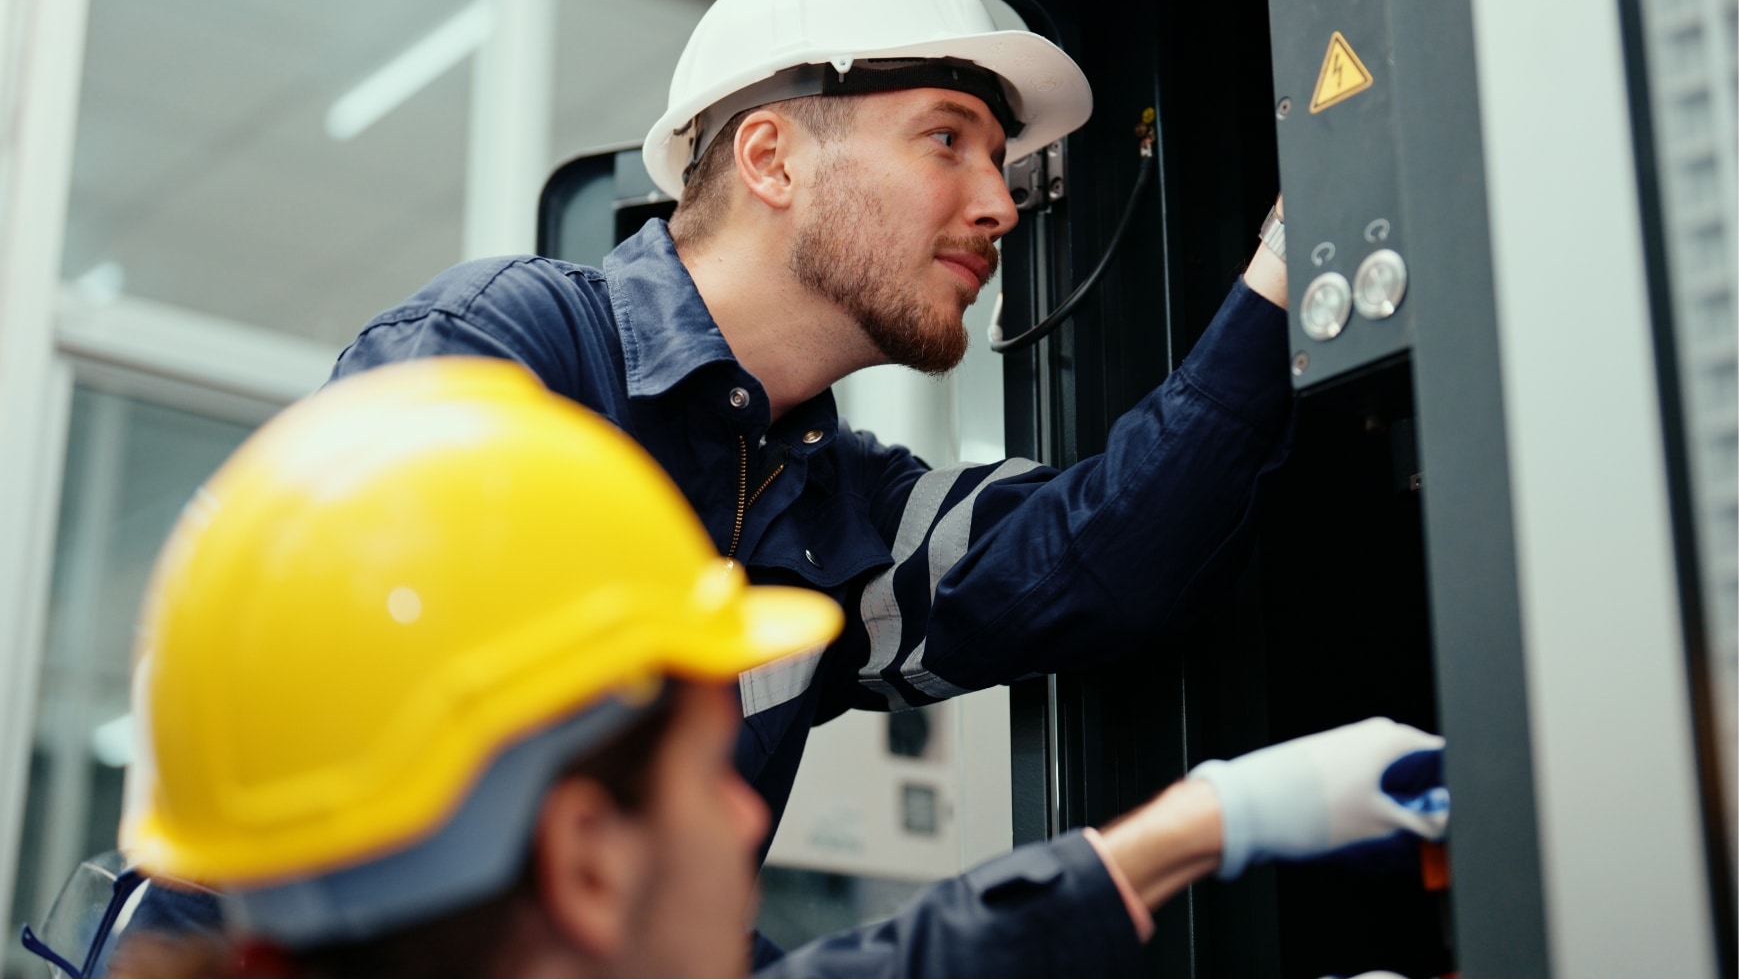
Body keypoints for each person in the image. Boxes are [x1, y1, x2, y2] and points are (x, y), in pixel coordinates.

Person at [328, 0, 1294, 966]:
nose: (999, 205)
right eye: (945, 140)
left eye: (998, 161)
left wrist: (1286, 271)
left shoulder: (831, 503)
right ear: (771, 157)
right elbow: (444, 857)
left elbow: (1103, 554)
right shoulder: (504, 354)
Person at [102, 359, 1444, 978]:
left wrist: (1209, 822)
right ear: (580, 855)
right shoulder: (514, 340)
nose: (750, 810)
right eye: (704, 771)